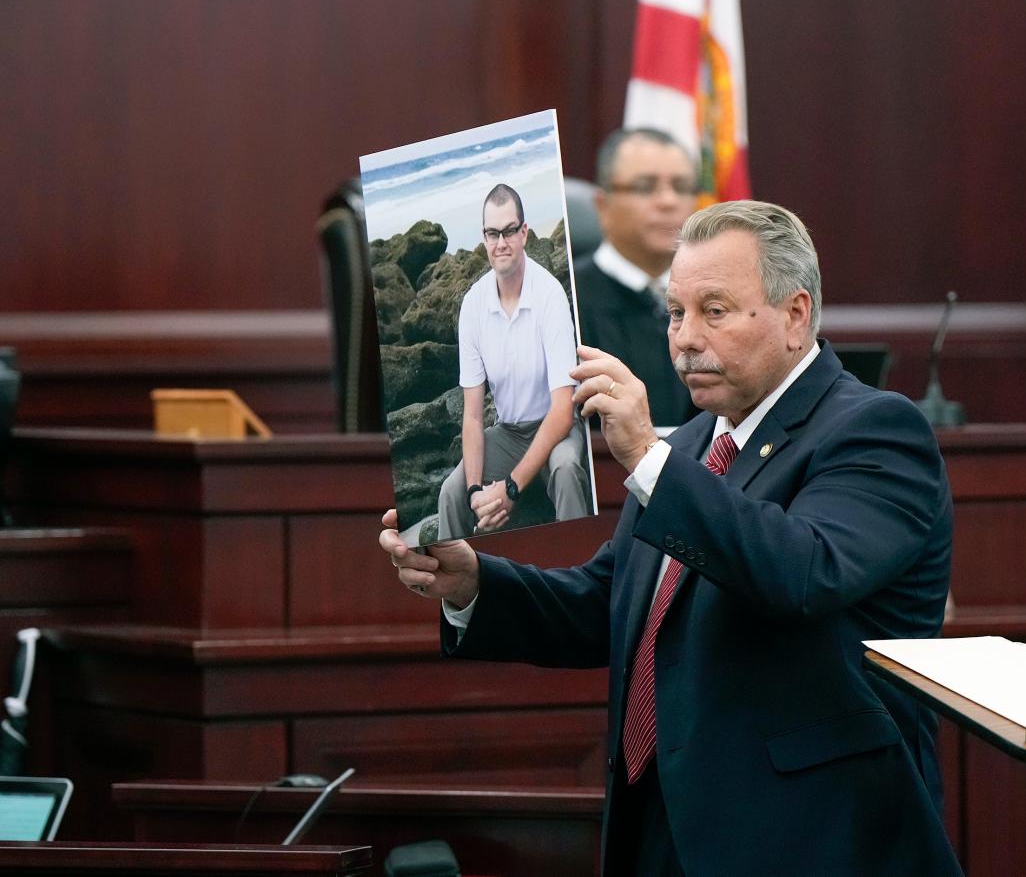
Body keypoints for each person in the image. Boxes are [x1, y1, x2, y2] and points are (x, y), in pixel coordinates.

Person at [385, 200, 962, 876]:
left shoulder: (875, 430)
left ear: (796, 315)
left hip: (811, 839)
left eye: (714, 311)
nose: (685, 339)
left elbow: (801, 571)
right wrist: (474, 584)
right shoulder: (691, 444)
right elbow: (614, 605)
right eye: (675, 312)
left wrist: (650, 460)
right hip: (663, 825)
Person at [436, 183, 589, 540]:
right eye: (493, 233)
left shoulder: (550, 295)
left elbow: (563, 411)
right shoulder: (473, 306)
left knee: (566, 470)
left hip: (555, 426)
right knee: (449, 492)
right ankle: (454, 592)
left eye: (508, 231)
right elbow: (473, 416)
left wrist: (510, 489)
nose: (500, 242)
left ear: (523, 232)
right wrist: (476, 492)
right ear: (484, 237)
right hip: (508, 432)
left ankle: (581, 576)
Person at [573, 127, 698, 427]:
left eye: (681, 187)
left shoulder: (713, 297)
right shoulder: (569, 298)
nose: (668, 201)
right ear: (603, 206)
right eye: (645, 187)